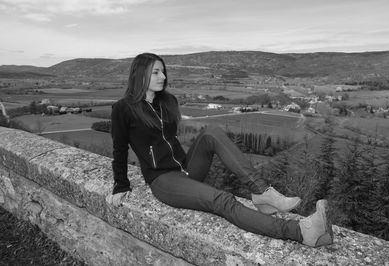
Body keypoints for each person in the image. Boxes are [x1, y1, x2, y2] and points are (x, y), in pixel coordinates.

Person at [107, 53, 333, 247]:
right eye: (156, 72)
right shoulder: (123, 108)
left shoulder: (167, 102)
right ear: (140, 74)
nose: (163, 77)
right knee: (222, 200)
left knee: (212, 132)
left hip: (185, 168)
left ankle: (262, 192)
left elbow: (169, 139)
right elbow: (119, 149)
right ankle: (301, 232)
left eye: (163, 72)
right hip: (163, 180)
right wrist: (121, 185)